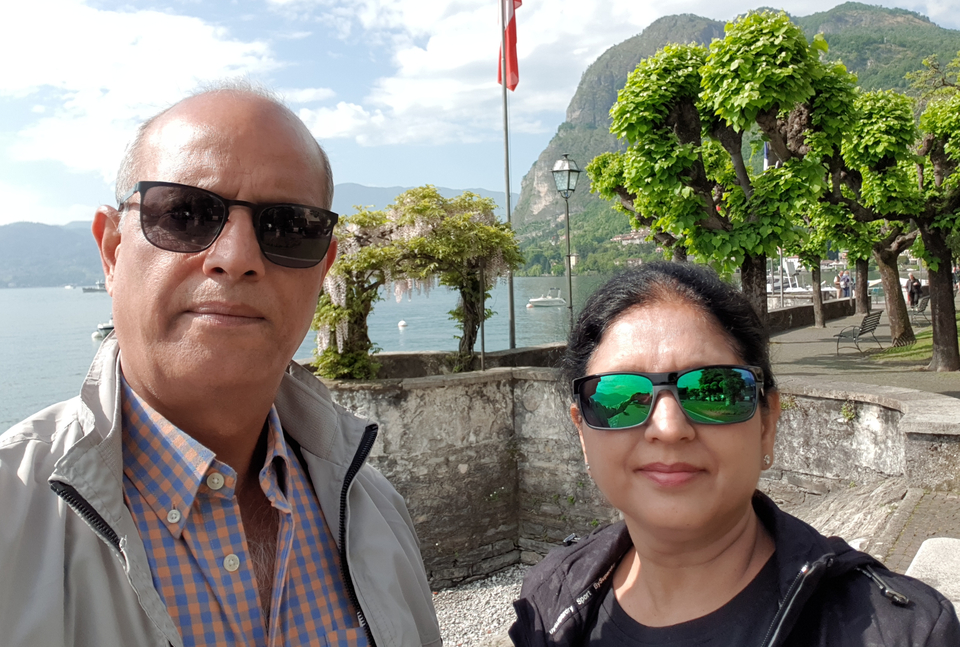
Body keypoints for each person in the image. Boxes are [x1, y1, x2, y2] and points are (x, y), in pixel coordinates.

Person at [0, 84, 441, 647]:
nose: (236, 259)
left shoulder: (376, 513)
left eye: (287, 227)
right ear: (111, 250)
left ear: (323, 270)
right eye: (183, 214)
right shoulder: (12, 520)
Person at [509, 262, 959, 647]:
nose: (669, 428)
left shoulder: (899, 631)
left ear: (767, 422)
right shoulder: (550, 602)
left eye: (715, 390)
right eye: (618, 395)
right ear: (582, 431)